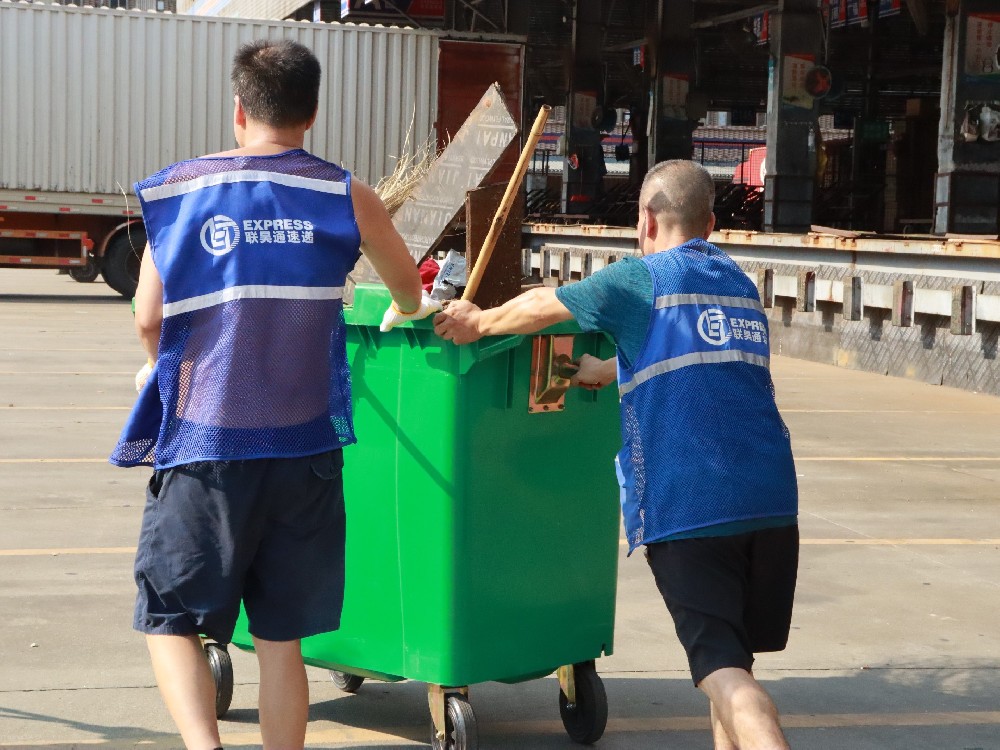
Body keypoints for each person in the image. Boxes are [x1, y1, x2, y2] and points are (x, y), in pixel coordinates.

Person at [110, 39, 438, 750]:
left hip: (206, 446)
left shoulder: (181, 190)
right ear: (312, 113)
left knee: (170, 617)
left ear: (238, 111)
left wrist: (163, 368)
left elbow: (148, 317)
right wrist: (401, 310)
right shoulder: (346, 194)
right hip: (306, 449)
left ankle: (205, 746)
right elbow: (410, 292)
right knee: (281, 642)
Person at [434, 159, 798, 750]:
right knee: (730, 663)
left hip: (693, 504)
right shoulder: (736, 282)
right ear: (709, 223)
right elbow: (692, 354)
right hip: (773, 503)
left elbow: (544, 306)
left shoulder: (640, 278)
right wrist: (606, 370)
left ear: (647, 219)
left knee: (726, 677)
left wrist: (480, 322)